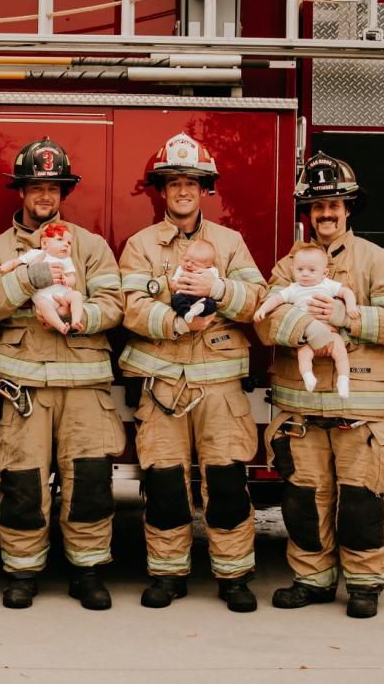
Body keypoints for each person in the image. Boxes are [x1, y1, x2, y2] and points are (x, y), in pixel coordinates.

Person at [254, 151, 384, 619]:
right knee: (304, 503)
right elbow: (266, 325)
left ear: (349, 208)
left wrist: (348, 316)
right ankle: (312, 580)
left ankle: (365, 584)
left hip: (361, 415)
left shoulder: (379, 263)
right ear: (307, 212)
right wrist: (307, 329)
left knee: (362, 503)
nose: (326, 213)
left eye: (335, 204)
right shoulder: (290, 268)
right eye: (317, 205)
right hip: (302, 413)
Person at [0, 138, 125, 610]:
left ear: (63, 192)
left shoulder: (90, 246)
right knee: (20, 483)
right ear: (21, 190)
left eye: (53, 188)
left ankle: (88, 570)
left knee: (90, 483)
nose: (45, 196)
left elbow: (115, 305)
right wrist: (27, 280)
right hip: (23, 391)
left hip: (83, 386)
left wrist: (82, 317)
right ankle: (22, 572)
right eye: (36, 186)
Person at [118, 133, 267, 612]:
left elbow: (259, 302)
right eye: (174, 182)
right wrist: (178, 319)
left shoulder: (230, 243)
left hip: (219, 387)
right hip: (162, 388)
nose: (183, 190)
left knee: (225, 484)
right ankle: (167, 574)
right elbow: (130, 307)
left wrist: (220, 288)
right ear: (161, 190)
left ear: (206, 189)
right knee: (163, 485)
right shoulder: (139, 246)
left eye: (193, 182)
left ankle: (233, 576)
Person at [253, 245, 360, 397]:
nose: (305, 274)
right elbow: (276, 299)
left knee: (341, 353)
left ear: (325, 273)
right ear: (293, 270)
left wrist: (350, 307)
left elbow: (347, 292)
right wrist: (263, 309)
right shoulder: (293, 288)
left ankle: (343, 381)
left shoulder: (327, 284)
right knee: (303, 355)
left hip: (330, 331)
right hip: (306, 335)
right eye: (300, 269)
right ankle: (308, 376)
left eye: (311, 270)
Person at [0, 221, 85, 334]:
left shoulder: (66, 260)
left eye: (69, 243)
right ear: (45, 243)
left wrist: (67, 280)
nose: (66, 245)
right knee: (42, 305)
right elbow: (14, 262)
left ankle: (75, 320)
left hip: (63, 295)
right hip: (44, 297)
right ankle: (60, 326)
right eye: (60, 240)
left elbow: (72, 278)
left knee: (77, 295)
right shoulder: (36, 254)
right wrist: (2, 268)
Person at [169, 238, 220, 323]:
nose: (188, 264)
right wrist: (176, 285)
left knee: (212, 304)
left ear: (208, 266)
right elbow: (172, 284)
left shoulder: (211, 271)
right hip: (185, 296)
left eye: (194, 263)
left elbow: (215, 286)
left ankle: (200, 308)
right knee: (176, 299)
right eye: (186, 260)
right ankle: (186, 314)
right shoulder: (181, 269)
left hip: (202, 298)